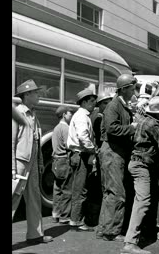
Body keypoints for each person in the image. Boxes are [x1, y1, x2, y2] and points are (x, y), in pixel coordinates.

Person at [121, 96, 159, 254]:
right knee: (142, 201)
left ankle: (135, 236)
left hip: (136, 163)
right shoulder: (153, 124)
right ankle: (130, 243)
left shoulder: (141, 120)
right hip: (142, 165)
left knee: (141, 200)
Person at [97, 74, 138, 241]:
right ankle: (111, 232)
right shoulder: (114, 106)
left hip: (115, 152)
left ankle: (104, 229)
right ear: (124, 89)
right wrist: (132, 128)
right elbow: (112, 128)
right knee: (116, 193)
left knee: (110, 193)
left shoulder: (120, 105)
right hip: (113, 152)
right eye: (132, 88)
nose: (134, 91)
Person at [12, 79, 53, 244]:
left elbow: (36, 141)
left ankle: (35, 235)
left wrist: (41, 163)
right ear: (26, 94)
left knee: (34, 199)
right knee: (13, 199)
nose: (39, 95)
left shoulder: (33, 114)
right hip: (19, 164)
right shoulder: (18, 113)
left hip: (32, 164)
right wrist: (12, 168)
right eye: (36, 92)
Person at [66, 89, 98, 231]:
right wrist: (93, 149)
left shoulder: (82, 115)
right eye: (91, 101)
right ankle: (76, 221)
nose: (94, 104)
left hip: (79, 154)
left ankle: (76, 219)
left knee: (80, 188)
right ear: (84, 102)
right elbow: (83, 135)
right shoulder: (81, 116)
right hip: (80, 154)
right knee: (80, 189)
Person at [51, 102, 76, 224]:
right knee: (67, 189)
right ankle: (64, 216)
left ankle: (55, 213)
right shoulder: (65, 128)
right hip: (64, 161)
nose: (71, 115)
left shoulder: (56, 128)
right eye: (70, 113)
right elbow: (68, 145)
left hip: (55, 161)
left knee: (57, 188)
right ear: (64, 114)